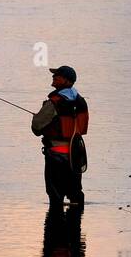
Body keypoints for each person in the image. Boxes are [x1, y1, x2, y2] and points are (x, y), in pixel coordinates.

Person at [31, 65, 89, 212]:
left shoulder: (54, 102)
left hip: (56, 154)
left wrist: (38, 118)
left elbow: (37, 127)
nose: (53, 77)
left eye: (57, 75)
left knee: (56, 196)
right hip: (75, 154)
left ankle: (54, 230)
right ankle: (75, 228)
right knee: (75, 192)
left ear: (66, 80)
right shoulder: (81, 101)